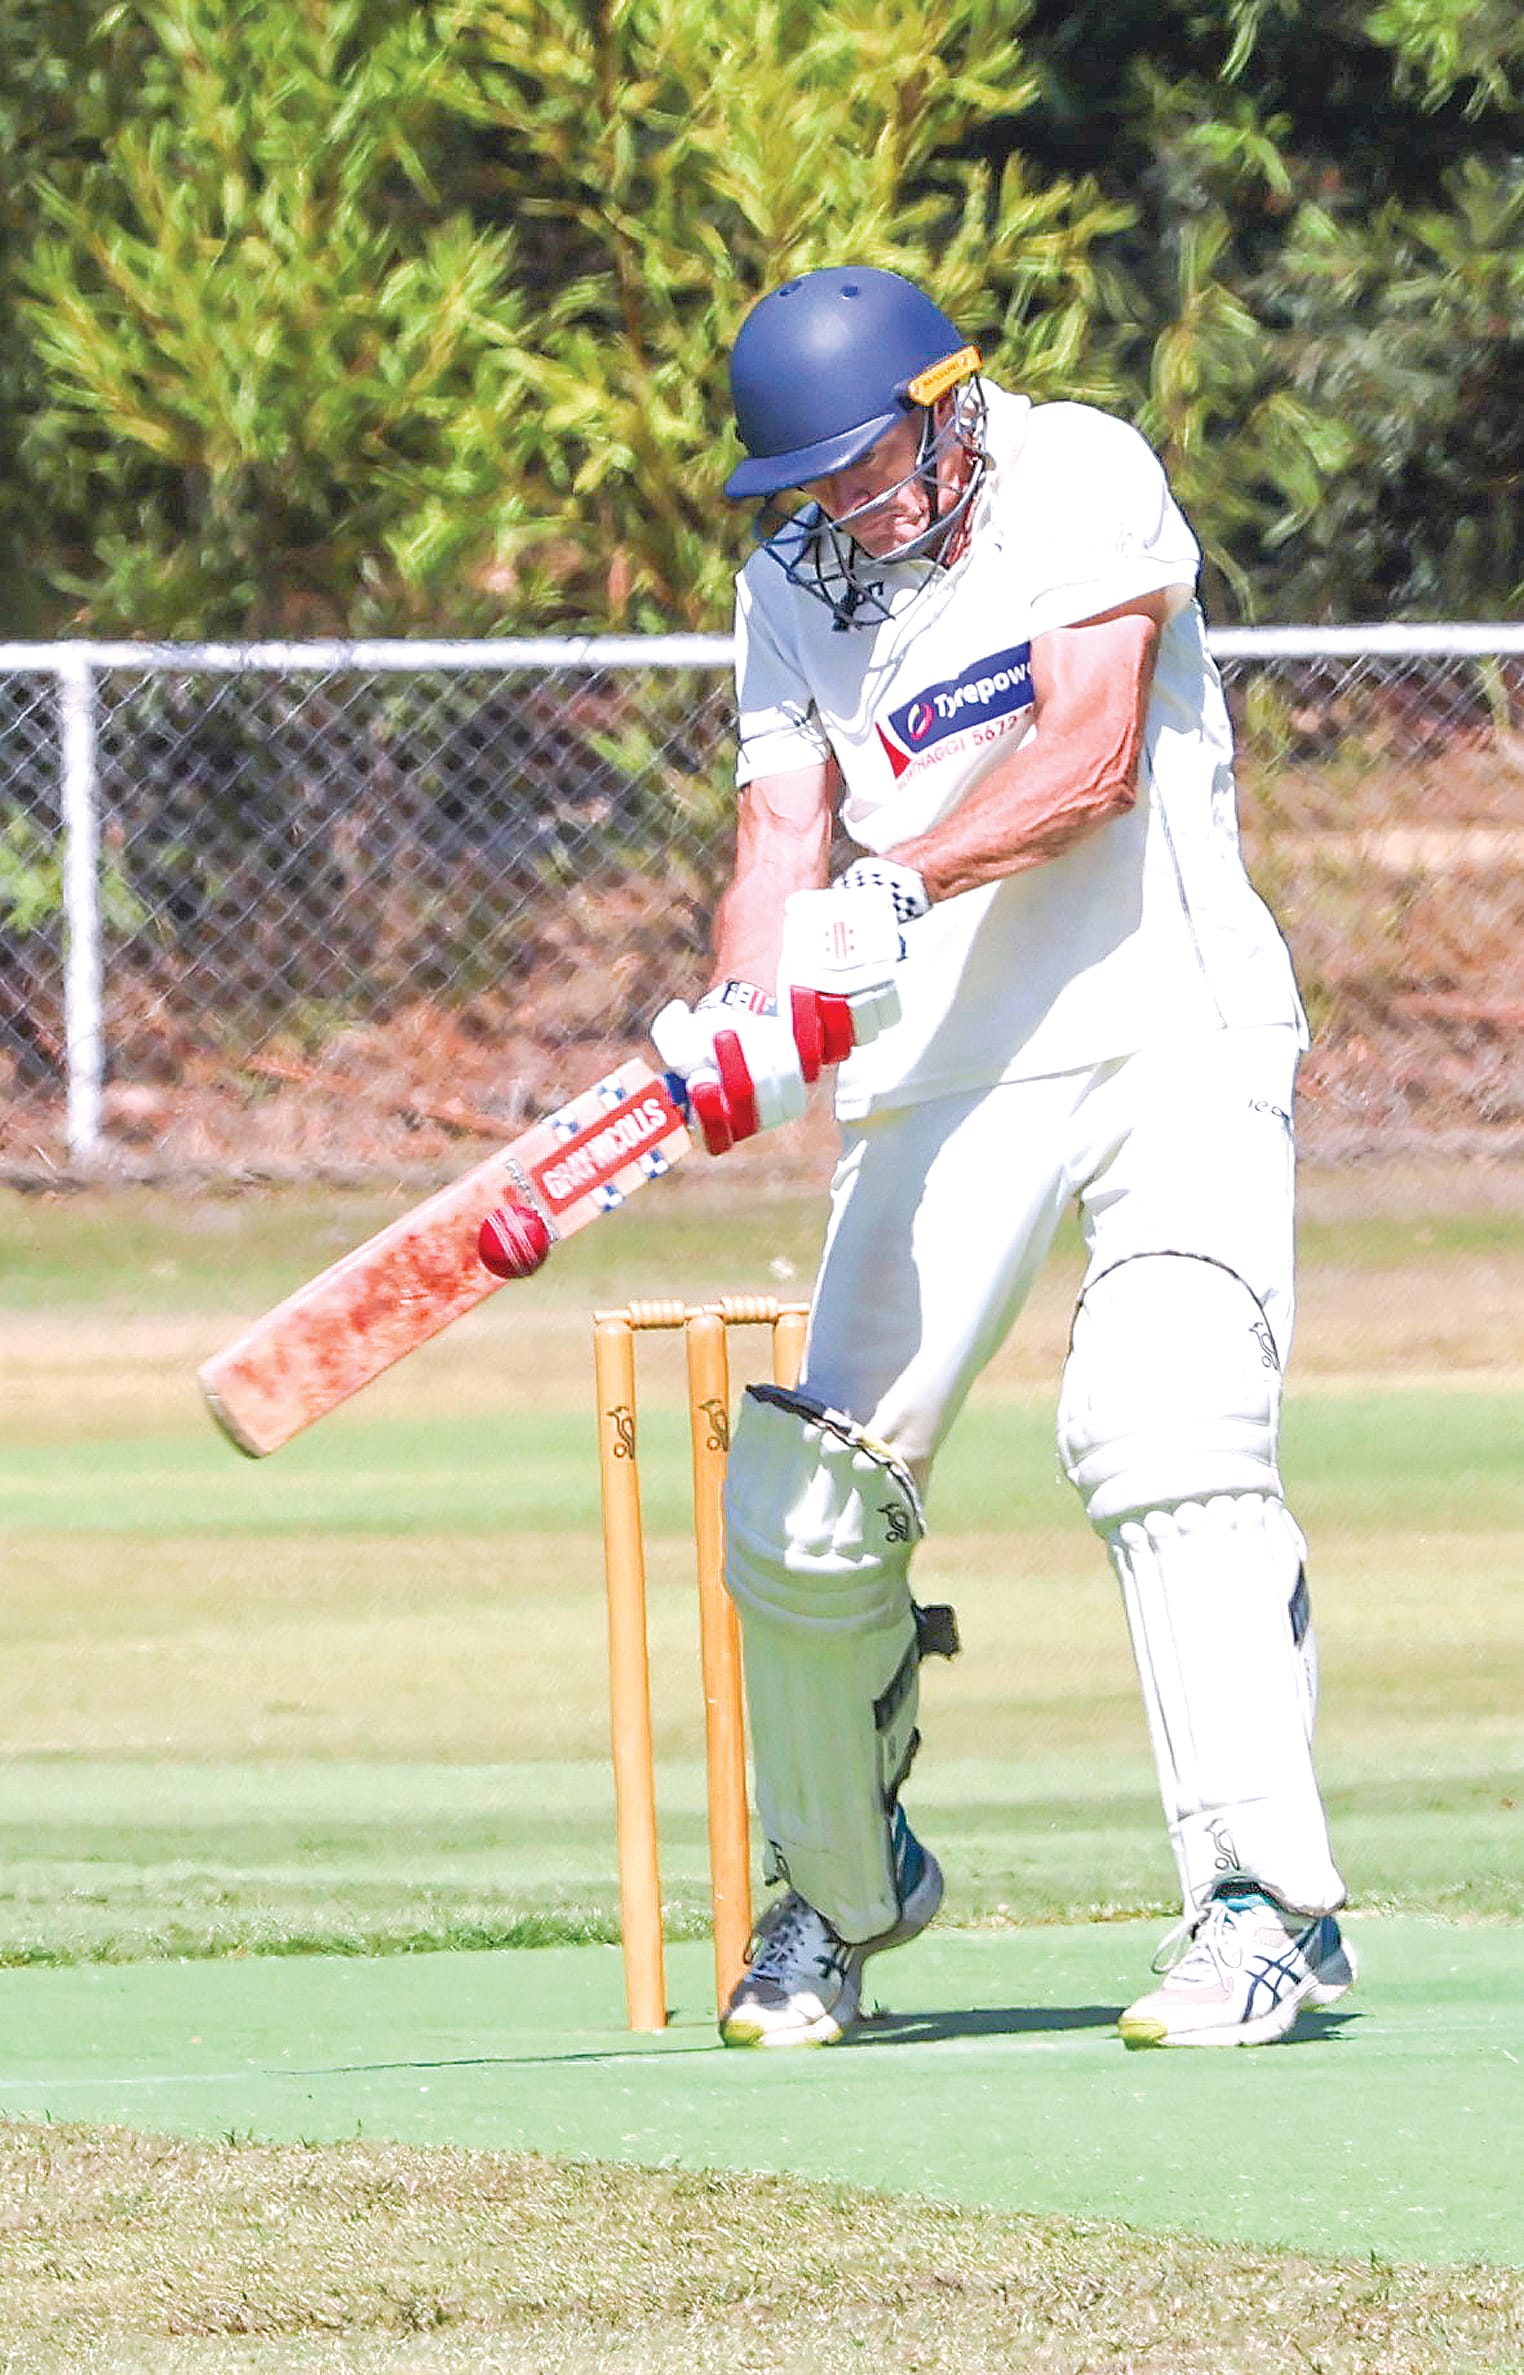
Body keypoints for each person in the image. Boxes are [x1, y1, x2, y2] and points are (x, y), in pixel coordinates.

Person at [651, 264, 1355, 2051]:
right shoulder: (790, 587)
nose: (846, 508)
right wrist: (745, 1002)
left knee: (1167, 1426)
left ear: (952, 402)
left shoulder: (1079, 473)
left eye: (869, 465)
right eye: (810, 482)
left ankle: (1268, 1906)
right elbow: (778, 831)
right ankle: (841, 1893)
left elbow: (1094, 746)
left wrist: (900, 883)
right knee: (803, 1513)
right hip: (941, 1079)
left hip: (1167, 1031)